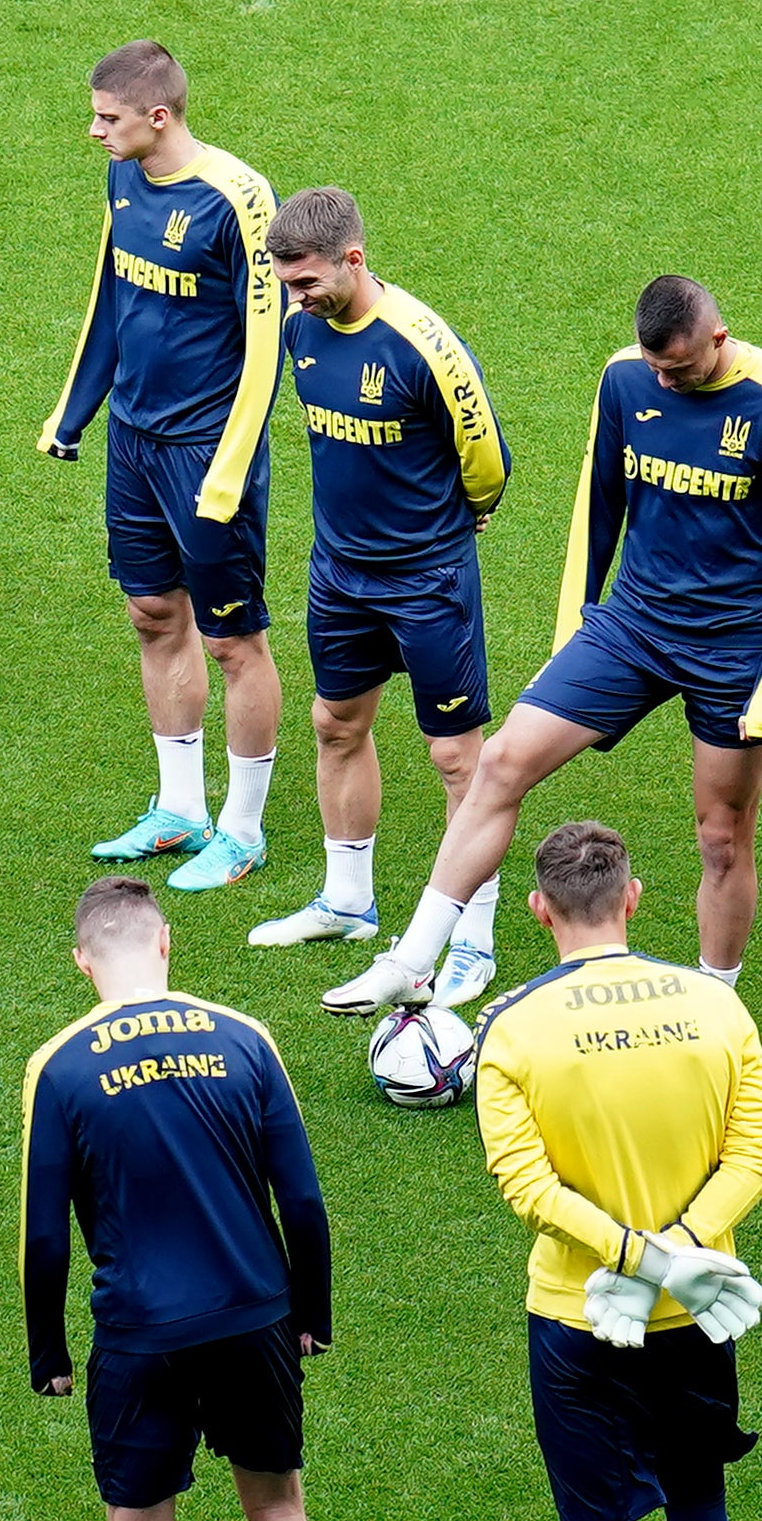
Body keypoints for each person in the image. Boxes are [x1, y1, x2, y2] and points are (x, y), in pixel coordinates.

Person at [335, 276, 762, 1001]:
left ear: (717, 339)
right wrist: (573, 630)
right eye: (655, 365)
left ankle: (716, 999)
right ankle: (412, 959)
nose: (665, 379)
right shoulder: (623, 378)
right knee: (500, 761)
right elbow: (597, 502)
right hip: (631, 627)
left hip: (732, 646)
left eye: (681, 367)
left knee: (721, 839)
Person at [472, 821, 762, 1521]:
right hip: (698, 1311)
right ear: (634, 896)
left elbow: (525, 1186)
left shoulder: (513, 1028)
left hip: (577, 1317)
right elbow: (756, 1153)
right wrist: (681, 1254)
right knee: (697, 1502)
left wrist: (627, 1259)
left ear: (538, 909)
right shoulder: (710, 1002)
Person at [21, 878, 337, 1521]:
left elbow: (43, 1232)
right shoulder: (244, 1037)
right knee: (277, 1508)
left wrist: (49, 1349)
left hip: (139, 1335)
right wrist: (310, 1312)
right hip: (255, 1318)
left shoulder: (63, 1063)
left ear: (83, 960)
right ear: (166, 943)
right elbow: (302, 1200)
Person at [247, 187, 513, 996]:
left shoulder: (421, 343)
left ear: (352, 260)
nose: (294, 298)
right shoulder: (302, 329)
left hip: (426, 579)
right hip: (339, 573)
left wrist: (451, 526)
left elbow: (488, 461)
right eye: (287, 283)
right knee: (334, 724)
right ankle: (347, 900)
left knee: (457, 756)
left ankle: (471, 939)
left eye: (305, 281)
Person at [46, 42, 289, 895]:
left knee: (231, 637)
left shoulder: (238, 199)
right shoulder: (121, 179)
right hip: (134, 441)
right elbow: (112, 296)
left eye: (106, 117)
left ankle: (244, 830)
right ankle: (181, 808)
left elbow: (268, 347)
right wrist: (74, 410)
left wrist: (228, 469)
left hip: (205, 452)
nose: (93, 130)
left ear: (158, 116)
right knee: (153, 612)